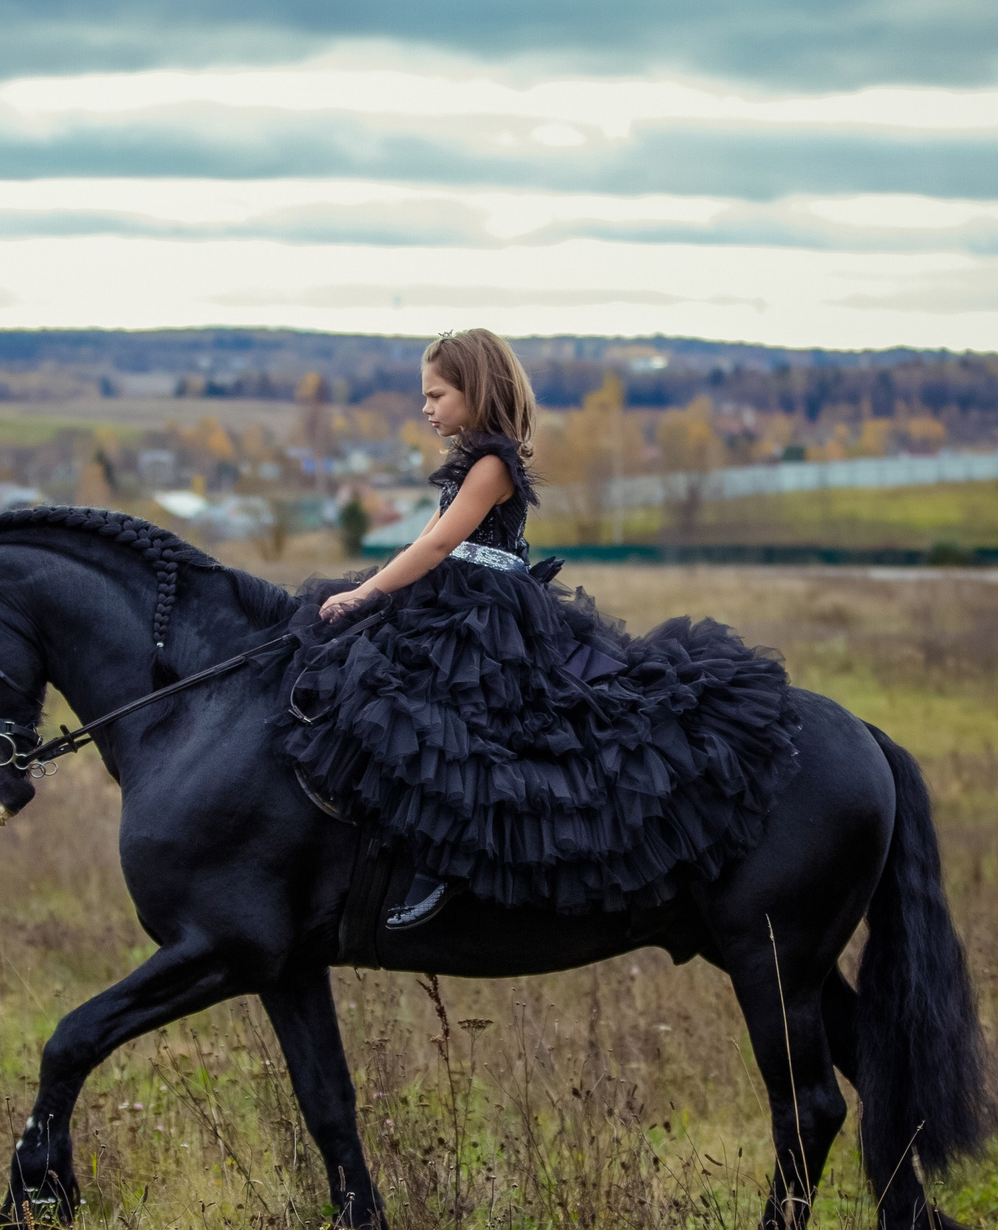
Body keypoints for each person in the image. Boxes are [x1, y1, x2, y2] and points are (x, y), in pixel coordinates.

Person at [282, 328, 801, 929]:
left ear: (477, 392)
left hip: (485, 616)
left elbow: (441, 545)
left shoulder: (492, 465)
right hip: (450, 597)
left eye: (436, 395)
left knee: (452, 724)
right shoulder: (464, 466)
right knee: (378, 677)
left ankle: (448, 857)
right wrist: (374, 591)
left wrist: (366, 591)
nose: (425, 408)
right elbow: (423, 543)